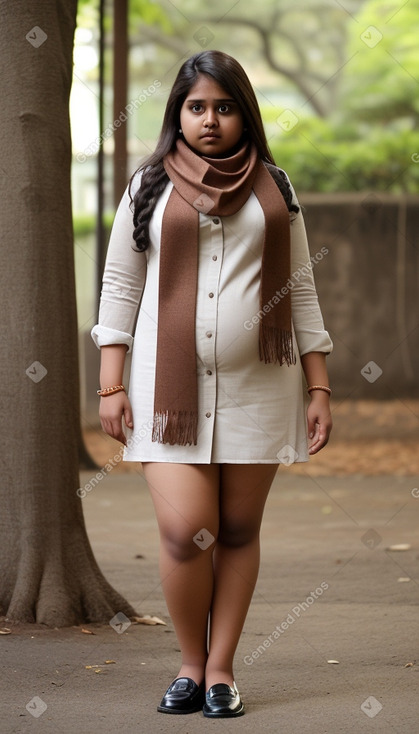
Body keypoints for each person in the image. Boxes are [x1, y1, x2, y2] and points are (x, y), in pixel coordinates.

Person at [91, 49, 333, 718]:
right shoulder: (147, 188)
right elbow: (119, 285)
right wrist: (110, 387)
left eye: (223, 107)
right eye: (196, 107)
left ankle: (221, 670)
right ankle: (187, 664)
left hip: (262, 387)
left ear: (242, 114)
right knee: (185, 531)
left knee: (234, 528)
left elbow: (301, 289)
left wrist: (319, 387)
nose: (209, 120)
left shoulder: (275, 187)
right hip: (164, 396)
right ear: (177, 114)